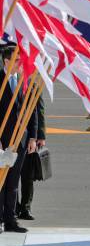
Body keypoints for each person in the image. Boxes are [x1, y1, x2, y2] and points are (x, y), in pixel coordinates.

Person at [0, 46, 38, 233]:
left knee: (13, 182)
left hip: (20, 141)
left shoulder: (24, 79)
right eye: (17, 61)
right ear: (6, 61)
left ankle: (10, 220)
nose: (21, 64)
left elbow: (33, 110)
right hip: (2, 141)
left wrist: (32, 136)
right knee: (1, 181)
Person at [17, 97, 45, 221]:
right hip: (11, 136)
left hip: (29, 137)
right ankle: (13, 207)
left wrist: (40, 135)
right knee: (10, 176)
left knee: (28, 175)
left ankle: (26, 207)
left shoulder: (33, 84)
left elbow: (39, 110)